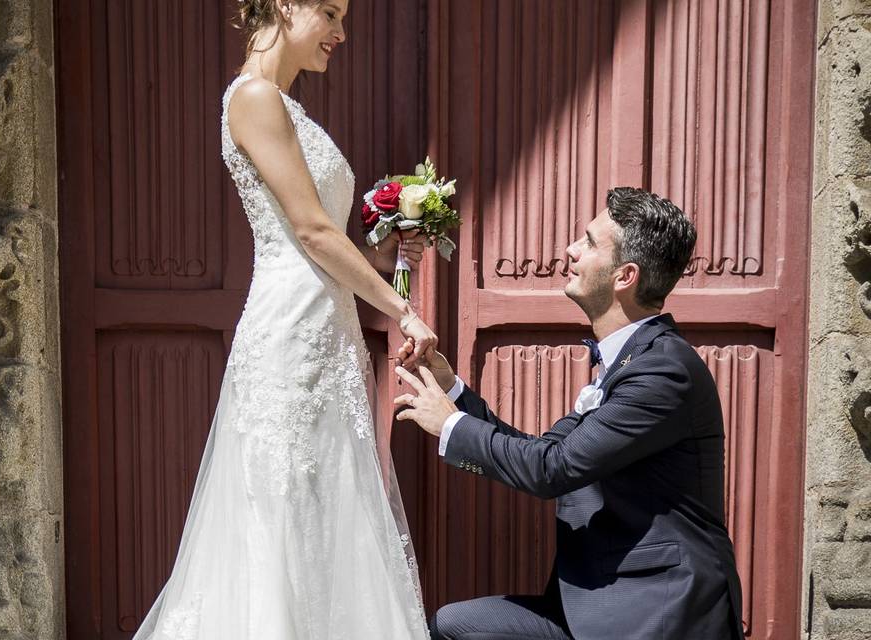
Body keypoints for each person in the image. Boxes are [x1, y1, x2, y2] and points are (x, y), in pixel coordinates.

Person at [135, 1, 432, 637]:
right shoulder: (253, 98)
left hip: (326, 325)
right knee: (284, 510)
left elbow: (324, 236)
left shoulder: (288, 107)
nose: (341, 33)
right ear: (284, 4)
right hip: (291, 333)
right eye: (329, 12)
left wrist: (389, 249)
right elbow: (312, 231)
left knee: (326, 512)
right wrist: (403, 310)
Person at [394, 187, 743, 640]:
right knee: (455, 626)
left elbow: (551, 470)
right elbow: (545, 451)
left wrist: (449, 425)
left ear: (625, 276)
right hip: (596, 603)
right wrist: (453, 390)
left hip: (657, 612)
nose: (570, 250)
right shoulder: (629, 361)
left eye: (589, 242)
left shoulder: (662, 370)